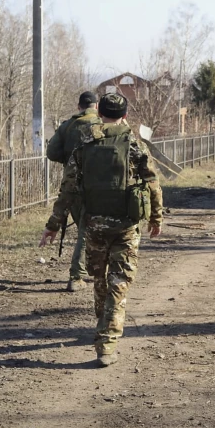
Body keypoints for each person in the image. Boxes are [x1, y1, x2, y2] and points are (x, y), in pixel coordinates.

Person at [39, 93, 163, 367]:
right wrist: (156, 217)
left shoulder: (85, 144)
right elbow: (152, 182)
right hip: (127, 225)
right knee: (119, 283)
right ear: (125, 116)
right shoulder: (134, 144)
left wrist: (53, 225)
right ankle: (107, 340)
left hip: (94, 223)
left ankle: (103, 325)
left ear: (100, 113)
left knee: (101, 279)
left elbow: (68, 188)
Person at [46, 91, 102, 292]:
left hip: (71, 186)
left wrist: (69, 160)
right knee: (85, 233)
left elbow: (51, 152)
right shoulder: (102, 124)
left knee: (84, 231)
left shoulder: (68, 125)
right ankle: (76, 276)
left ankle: (85, 272)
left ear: (79, 106)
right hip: (96, 187)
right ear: (95, 106)